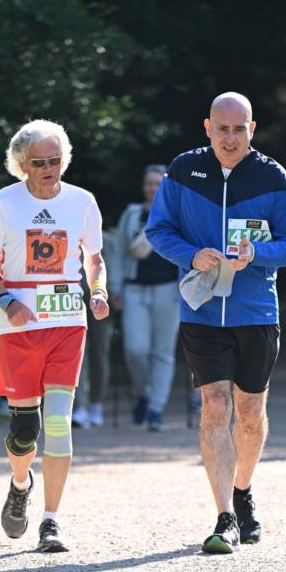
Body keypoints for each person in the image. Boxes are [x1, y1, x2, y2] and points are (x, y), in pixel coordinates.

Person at [146, 92, 286, 553]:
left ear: (252, 129)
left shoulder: (274, 178)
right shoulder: (182, 171)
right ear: (207, 128)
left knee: (251, 414)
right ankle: (224, 517)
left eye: (239, 129)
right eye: (222, 128)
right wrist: (190, 253)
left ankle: (243, 490)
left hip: (255, 311)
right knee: (215, 407)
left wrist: (258, 253)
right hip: (199, 310)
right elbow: (158, 230)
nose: (230, 137)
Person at [0, 118, 109, 553]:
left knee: (58, 423)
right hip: (19, 329)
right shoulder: (4, 203)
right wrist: (6, 302)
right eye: (39, 162)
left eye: (55, 160)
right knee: (26, 429)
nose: (49, 169)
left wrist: (99, 292)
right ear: (22, 165)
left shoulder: (83, 202)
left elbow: (96, 259)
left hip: (68, 324)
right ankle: (19, 482)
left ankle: (51, 521)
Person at [110, 165, 180, 432]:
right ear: (144, 186)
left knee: (163, 352)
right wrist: (115, 289)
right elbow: (117, 254)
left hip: (169, 290)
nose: (153, 188)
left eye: (159, 184)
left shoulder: (177, 216)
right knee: (135, 349)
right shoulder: (132, 214)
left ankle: (156, 409)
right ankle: (144, 393)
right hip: (134, 290)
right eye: (150, 183)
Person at [72, 229, 115, 428]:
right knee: (77, 354)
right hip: (71, 300)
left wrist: (114, 296)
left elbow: (113, 269)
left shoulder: (105, 239)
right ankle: (80, 406)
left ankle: (96, 403)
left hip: (101, 302)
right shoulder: (65, 232)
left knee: (99, 354)